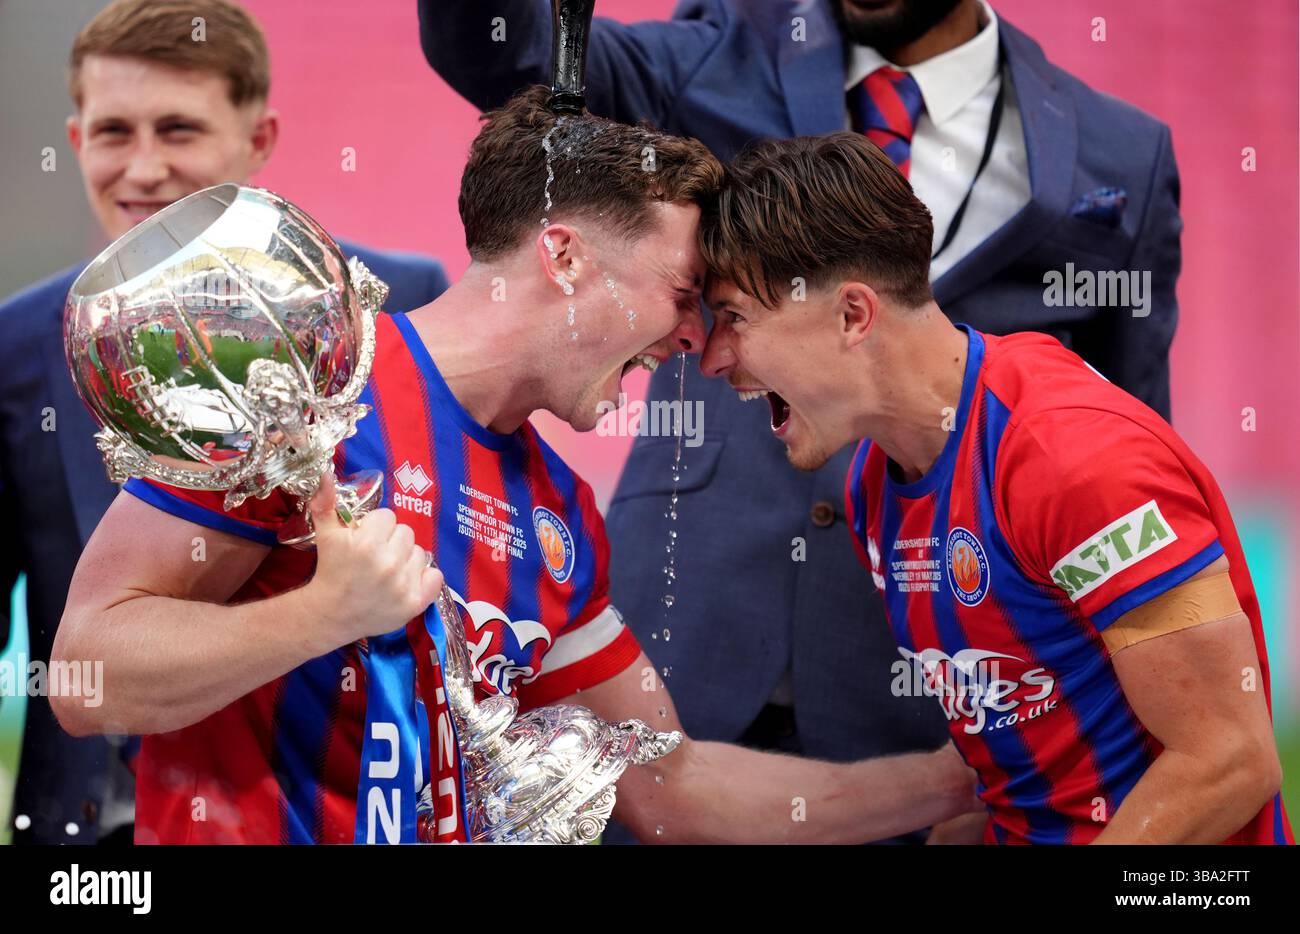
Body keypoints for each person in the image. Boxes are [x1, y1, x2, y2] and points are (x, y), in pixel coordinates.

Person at [52, 89, 978, 845]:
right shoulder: (309, 380)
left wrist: (960, 779)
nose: (698, 341)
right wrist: (319, 616)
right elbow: (83, 675)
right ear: (566, 256)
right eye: (685, 294)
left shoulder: (559, 512)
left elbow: (671, 786)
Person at [419, 0, 1182, 843]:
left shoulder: (1122, 155)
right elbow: (513, 59)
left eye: (725, 313)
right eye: (697, 300)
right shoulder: (723, 48)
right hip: (683, 635)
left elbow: (1130, 437)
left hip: (918, 702)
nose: (701, 347)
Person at [696, 131, 1291, 844]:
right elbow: (1029, 729)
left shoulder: (1075, 458)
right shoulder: (871, 483)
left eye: (733, 318)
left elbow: (1229, 761)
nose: (711, 359)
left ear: (853, 315)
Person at [0, 0, 450, 845]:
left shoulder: (396, 300)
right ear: (73, 137)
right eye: (112, 132)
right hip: (90, 836)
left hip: (347, 810)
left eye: (178, 130)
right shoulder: (14, 344)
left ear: (260, 137)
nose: (142, 168)